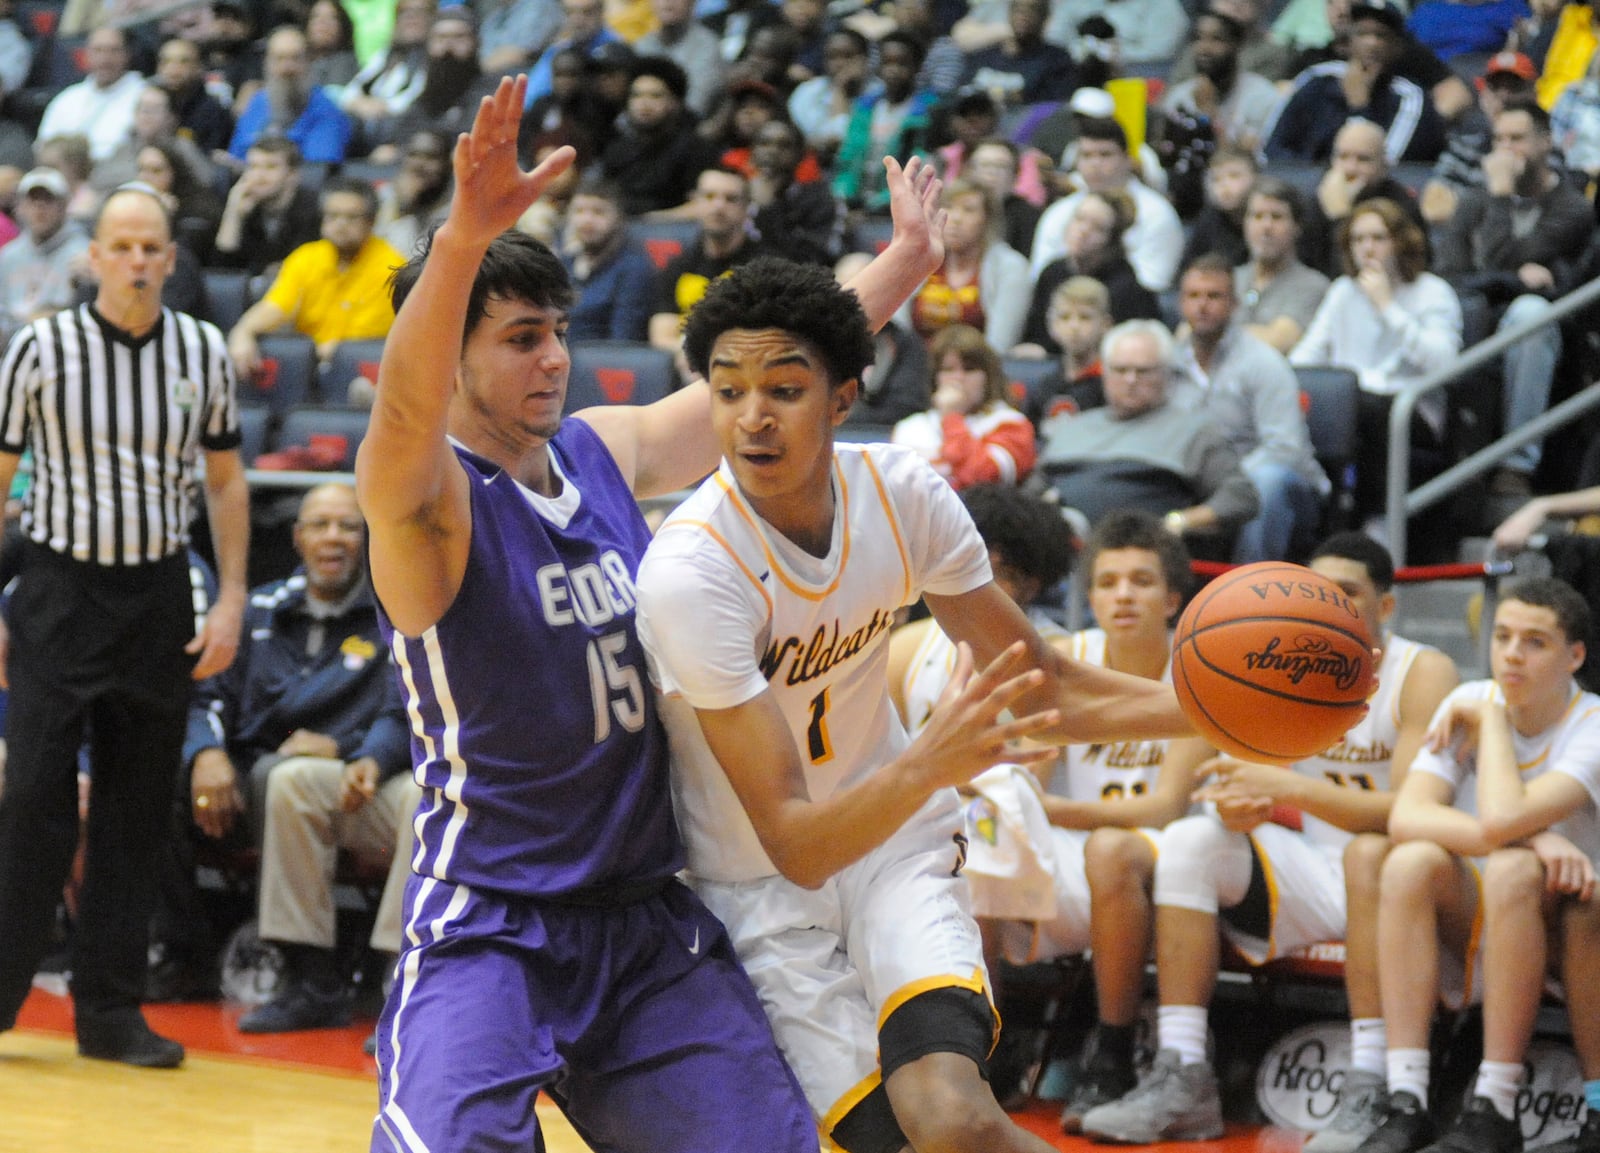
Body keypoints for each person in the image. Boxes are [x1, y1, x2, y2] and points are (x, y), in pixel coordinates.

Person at [355, 74, 950, 1149]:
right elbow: (398, 411)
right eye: (520, 339)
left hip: (640, 915)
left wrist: (900, 266)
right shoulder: (428, 508)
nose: (553, 358)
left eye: (556, 332)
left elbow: (769, 371)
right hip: (494, 919)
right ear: (448, 353)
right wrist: (460, 241)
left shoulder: (595, 452)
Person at [633, 252, 1194, 1153]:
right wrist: (934, 757)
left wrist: (1217, 714)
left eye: (784, 389)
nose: (753, 418)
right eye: (728, 393)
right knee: (902, 1143)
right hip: (760, 893)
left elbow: (1035, 676)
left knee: (957, 1118)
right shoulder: (691, 572)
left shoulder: (900, 493)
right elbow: (795, 840)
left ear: (844, 399)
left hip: (893, 850)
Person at [1080, 533, 1458, 1146]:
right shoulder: (1281, 661)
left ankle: (1367, 1083)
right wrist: (1238, 810)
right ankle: (1183, 1075)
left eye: (1350, 594)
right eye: (1321, 593)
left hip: (1405, 887)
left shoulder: (1422, 671)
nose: (1332, 605)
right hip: (1313, 870)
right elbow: (1233, 788)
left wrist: (1288, 791)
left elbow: (1408, 816)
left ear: (1385, 608)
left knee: (1369, 853)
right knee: (1189, 842)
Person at [0, 184, 248, 1068]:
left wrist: (228, 599)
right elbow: (3, 479)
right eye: (123, 246)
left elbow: (223, 481)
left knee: (137, 811)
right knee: (31, 797)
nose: (139, 260)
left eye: (153, 247)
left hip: (156, 594)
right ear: (94, 256)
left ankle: (108, 1011)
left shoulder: (203, 349)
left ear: (170, 259)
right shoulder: (40, 348)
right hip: (58, 590)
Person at [948, 511, 1212, 1129]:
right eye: (1109, 581)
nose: (1123, 594)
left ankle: (1113, 1049)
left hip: (1167, 858)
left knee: (1111, 849)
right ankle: (990, 1041)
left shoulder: (1204, 668)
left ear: (1173, 599)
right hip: (1076, 851)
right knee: (978, 838)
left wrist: (1050, 809)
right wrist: (1017, 806)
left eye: (1142, 582)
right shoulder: (1063, 660)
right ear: (1089, 596)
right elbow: (1023, 776)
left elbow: (1165, 807)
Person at [1350, 578, 1600, 1153]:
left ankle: (1496, 1103)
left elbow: (1499, 821)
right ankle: (1405, 1098)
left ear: (1575, 656)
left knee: (1513, 870)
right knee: (1409, 862)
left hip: (1575, 930)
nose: (1512, 653)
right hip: (1490, 921)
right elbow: (1406, 818)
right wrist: (1537, 839)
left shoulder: (1586, 724)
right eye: (1504, 636)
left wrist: (1489, 728)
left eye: (1535, 642)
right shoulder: (1468, 699)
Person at [179, 483, 415, 1035]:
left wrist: (362, 754)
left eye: (348, 526)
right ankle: (312, 981)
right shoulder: (258, 608)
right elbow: (204, 696)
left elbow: (409, 709)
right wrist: (206, 751)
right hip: (269, 779)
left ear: (368, 538)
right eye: (320, 525)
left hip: (370, 778)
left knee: (420, 801)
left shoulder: (396, 609)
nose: (333, 538)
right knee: (288, 778)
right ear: (296, 538)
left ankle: (398, 986)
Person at [1435, 100, 1592, 498]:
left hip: (1546, 339)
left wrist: (1502, 196)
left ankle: (1514, 467)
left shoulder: (1572, 207)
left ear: (1545, 142)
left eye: (1517, 139)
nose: (1506, 151)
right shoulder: (1473, 200)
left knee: (1530, 311)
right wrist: (1511, 279)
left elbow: (1506, 257)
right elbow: (1451, 275)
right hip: (1476, 318)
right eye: (1499, 140)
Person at [1290, 198, 1462, 520]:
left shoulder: (1432, 292)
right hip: (1352, 406)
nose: (1367, 248)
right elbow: (1307, 355)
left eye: (1378, 238)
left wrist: (1386, 307)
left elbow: (1444, 365)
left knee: (1363, 409)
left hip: (1411, 410)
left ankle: (1372, 521)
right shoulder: (1343, 291)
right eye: (1358, 239)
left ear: (1400, 242)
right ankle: (1325, 511)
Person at [1037, 319, 1260, 557]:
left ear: (1166, 374)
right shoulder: (1071, 428)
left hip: (1145, 555)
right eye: (1120, 370)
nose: (1130, 380)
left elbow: (1241, 496)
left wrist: (1177, 522)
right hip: (1057, 550)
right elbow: (1031, 494)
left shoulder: (1196, 431)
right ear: (1104, 374)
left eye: (1142, 371)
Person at [1172, 255, 1328, 563]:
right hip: (1206, 482)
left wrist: (1229, 487)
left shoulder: (1264, 362)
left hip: (1280, 486)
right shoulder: (1167, 363)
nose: (1202, 305)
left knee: (1265, 483)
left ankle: (1250, 596)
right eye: (1193, 296)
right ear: (1180, 303)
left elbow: (1285, 449)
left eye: (1213, 296)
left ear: (1234, 304)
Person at [227, 178, 402, 373]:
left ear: (371, 221)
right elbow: (276, 307)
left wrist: (304, 355)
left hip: (360, 367)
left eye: (351, 217)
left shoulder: (392, 267)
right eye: (333, 216)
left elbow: (362, 342)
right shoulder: (306, 256)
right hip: (310, 364)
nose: (341, 224)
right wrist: (243, 331)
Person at [1263, 0, 1446, 165]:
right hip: (1299, 187)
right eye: (1362, 33)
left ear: (1398, 47)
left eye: (1381, 35)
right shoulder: (1316, 78)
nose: (1371, 43)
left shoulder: (1409, 97)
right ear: (1349, 42)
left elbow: (1384, 165)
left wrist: (1359, 108)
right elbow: (1271, 147)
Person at [1031, 118, 1186, 294]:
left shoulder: (1156, 212)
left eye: (1105, 154)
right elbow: (1040, 277)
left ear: (1128, 159)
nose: (1095, 164)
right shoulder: (1058, 213)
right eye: (1086, 155)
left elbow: (1154, 284)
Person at [648, 165, 769, 378]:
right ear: (695, 202)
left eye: (730, 199)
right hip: (684, 368)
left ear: (746, 208)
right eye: (709, 196)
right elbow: (660, 334)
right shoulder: (678, 265)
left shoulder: (767, 269)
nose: (718, 206)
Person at [1020, 189, 1163, 357]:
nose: (1083, 231)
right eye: (1079, 219)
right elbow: (1037, 333)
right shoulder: (1053, 272)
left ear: (1112, 240)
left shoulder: (1127, 288)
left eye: (1097, 228)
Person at [892, 323, 1036, 488]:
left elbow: (982, 480)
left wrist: (952, 417)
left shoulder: (1011, 424)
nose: (958, 378)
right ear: (935, 377)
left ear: (988, 377)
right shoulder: (910, 429)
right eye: (948, 369)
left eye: (969, 369)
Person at [903, 178, 1031, 352]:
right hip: (915, 367)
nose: (955, 218)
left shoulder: (1010, 268)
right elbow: (896, 333)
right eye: (949, 207)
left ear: (987, 220)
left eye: (968, 210)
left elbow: (999, 345)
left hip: (975, 369)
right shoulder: (917, 259)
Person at [1301, 119, 1429, 278]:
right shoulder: (1316, 200)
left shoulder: (1402, 205)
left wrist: (1340, 218)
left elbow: (1356, 275)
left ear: (1383, 166)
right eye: (1343, 157)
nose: (1350, 169)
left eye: (1363, 159)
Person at [599, 55, 722, 216]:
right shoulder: (616, 150)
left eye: (655, 96)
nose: (644, 103)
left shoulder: (697, 150)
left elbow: (705, 204)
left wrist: (650, 221)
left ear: (675, 103)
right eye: (637, 95)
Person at [831, 32, 937, 214]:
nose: (893, 70)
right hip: (855, 205)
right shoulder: (864, 109)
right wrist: (843, 196)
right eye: (887, 62)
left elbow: (917, 168)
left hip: (898, 208)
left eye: (902, 63)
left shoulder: (927, 112)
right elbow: (846, 160)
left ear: (917, 66)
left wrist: (877, 206)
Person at [1161, 9, 1281, 153]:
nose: (1204, 48)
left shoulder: (1262, 96)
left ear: (1237, 45)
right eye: (1198, 38)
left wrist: (1209, 115)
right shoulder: (1179, 96)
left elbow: (1249, 163)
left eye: (1216, 39)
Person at [228, 27, 353, 166]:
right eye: (279, 59)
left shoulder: (326, 110)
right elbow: (236, 157)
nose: (287, 68)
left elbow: (318, 171)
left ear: (309, 62)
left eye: (295, 58)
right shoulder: (257, 103)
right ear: (267, 63)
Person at [1234, 177, 1332, 354]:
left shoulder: (1313, 285)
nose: (1266, 226)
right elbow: (1185, 334)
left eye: (1277, 217)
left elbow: (1277, 343)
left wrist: (1214, 331)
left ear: (1297, 226)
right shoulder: (1229, 279)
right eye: (1257, 216)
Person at [561, 174, 658, 342]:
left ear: (618, 217)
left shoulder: (634, 269)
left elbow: (622, 341)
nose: (587, 220)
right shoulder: (564, 263)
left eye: (598, 212)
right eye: (579, 211)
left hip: (598, 363)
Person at [210, 135, 324, 276]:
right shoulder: (245, 205)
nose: (259, 176)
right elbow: (224, 271)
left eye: (271, 167)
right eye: (253, 167)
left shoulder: (316, 209)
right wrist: (234, 214)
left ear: (292, 175)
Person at [0, 168, 91, 344]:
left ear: (64, 205)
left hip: (63, 343)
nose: (40, 207)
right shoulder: (8, 255)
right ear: (21, 206)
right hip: (11, 345)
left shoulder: (84, 253)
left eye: (48, 199)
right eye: (33, 199)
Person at [36, 27, 146, 164]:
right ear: (86, 54)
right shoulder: (67, 98)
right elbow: (42, 146)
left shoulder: (144, 95)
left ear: (127, 54)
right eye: (98, 50)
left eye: (114, 50)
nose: (105, 59)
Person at [1021, 276, 1111, 426]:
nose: (1074, 327)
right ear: (1052, 324)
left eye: (1085, 317)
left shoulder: (1110, 383)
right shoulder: (1046, 385)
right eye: (1065, 317)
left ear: (1105, 324)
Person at [633, 0, 727, 117]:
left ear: (692, 3)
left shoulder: (708, 46)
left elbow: (696, 104)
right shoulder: (643, 45)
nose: (668, 3)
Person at [374, 130, 452, 259]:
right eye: (413, 155)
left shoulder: (457, 204)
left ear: (448, 163)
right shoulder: (385, 195)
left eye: (431, 157)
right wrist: (402, 205)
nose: (419, 164)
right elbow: (373, 248)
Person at [154, 35, 234, 156]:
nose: (173, 69)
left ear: (198, 67)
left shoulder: (213, 112)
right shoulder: (154, 105)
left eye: (183, 62)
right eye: (166, 62)